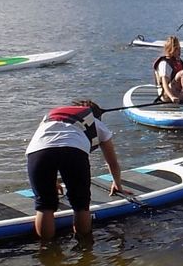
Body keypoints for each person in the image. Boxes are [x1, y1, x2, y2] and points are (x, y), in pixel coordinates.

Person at [25, 100, 128, 241]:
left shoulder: (50, 117)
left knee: (44, 206)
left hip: (37, 152)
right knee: (81, 206)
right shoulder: (96, 123)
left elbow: (51, 143)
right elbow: (112, 162)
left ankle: (47, 251)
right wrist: (117, 184)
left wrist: (52, 181)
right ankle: (85, 247)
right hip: (73, 152)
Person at [153, 36, 183, 103]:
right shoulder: (164, 64)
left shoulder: (178, 62)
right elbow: (165, 84)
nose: (179, 51)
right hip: (166, 95)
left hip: (177, 91)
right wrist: (172, 97)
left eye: (179, 48)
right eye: (176, 49)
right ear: (170, 50)